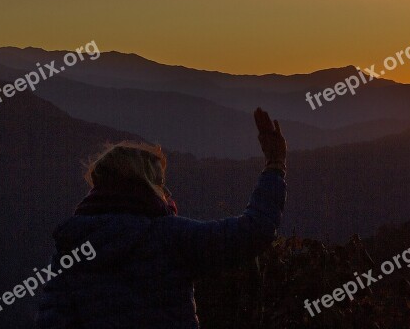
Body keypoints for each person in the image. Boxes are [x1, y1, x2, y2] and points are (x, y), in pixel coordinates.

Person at [36, 108, 288, 329]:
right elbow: (253, 232)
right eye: (159, 182)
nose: (165, 192)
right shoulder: (169, 237)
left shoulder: (70, 250)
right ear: (146, 184)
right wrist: (275, 165)